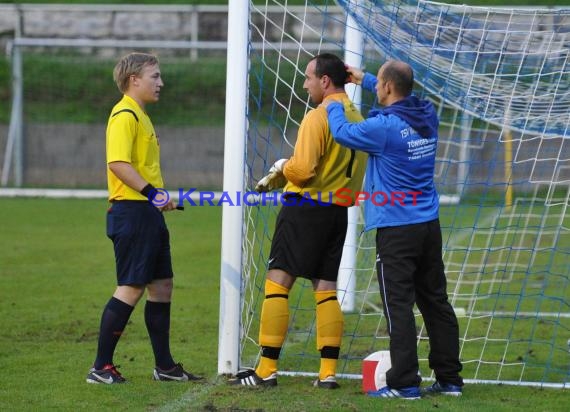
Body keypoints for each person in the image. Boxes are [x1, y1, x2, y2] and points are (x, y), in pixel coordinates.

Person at [324, 60, 464, 399]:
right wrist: (366, 78)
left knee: (398, 306)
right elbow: (397, 91)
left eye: (379, 84)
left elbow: (343, 133)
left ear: (387, 88)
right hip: (428, 226)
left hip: (397, 230)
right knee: (436, 302)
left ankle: (403, 382)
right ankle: (449, 380)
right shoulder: (427, 113)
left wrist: (334, 103)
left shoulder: (384, 128)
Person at [229, 53, 367, 389]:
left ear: (324, 81)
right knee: (325, 289)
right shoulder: (358, 118)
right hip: (337, 213)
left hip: (304, 209)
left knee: (278, 283)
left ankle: (265, 370)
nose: (304, 84)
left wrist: (281, 167)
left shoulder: (318, 117)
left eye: (308, 77)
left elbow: (303, 170)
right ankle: (328, 373)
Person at [86, 52, 203, 384]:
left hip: (147, 213)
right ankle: (100, 367)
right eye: (155, 76)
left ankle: (164, 367)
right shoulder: (125, 114)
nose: (161, 82)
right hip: (132, 212)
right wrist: (153, 194)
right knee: (131, 286)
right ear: (133, 79)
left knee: (162, 286)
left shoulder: (141, 115)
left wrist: (158, 198)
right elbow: (118, 164)